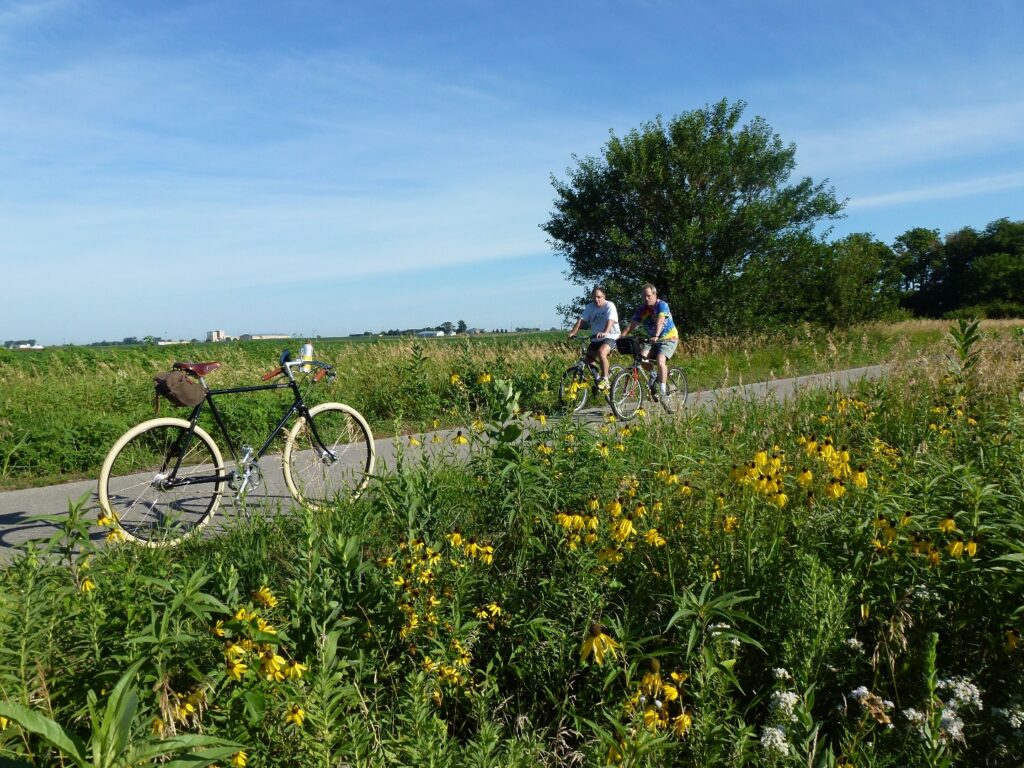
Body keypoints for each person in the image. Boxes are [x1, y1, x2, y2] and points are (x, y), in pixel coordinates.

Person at [621, 283, 679, 404]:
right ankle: (653, 375)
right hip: (653, 339)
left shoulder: (662, 305)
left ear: (654, 294)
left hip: (668, 338)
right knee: (641, 358)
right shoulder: (642, 309)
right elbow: (632, 325)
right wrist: (621, 337)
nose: (646, 299)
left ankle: (663, 391)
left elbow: (660, 320)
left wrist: (656, 335)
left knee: (660, 360)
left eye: (648, 296)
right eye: (644, 296)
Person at [567, 286, 620, 390]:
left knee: (601, 353)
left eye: (599, 297)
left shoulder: (609, 305)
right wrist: (573, 332)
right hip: (596, 337)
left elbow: (610, 321)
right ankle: (598, 378)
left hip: (611, 336)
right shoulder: (590, 307)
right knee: (588, 359)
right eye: (594, 297)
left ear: (604, 296)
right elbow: (581, 321)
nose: (596, 299)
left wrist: (605, 332)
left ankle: (605, 379)